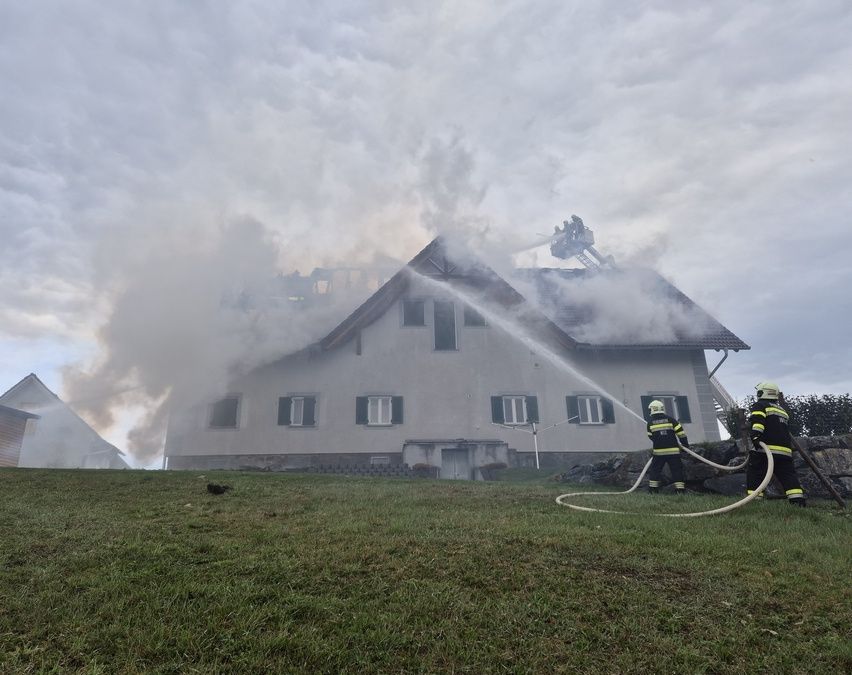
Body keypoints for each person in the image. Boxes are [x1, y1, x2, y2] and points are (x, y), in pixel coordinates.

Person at [747, 382, 806, 506]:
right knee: (788, 477)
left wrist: (756, 437)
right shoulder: (782, 410)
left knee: (756, 475)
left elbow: (758, 422)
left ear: (763, 392)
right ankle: (798, 502)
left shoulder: (760, 405)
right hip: (784, 452)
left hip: (765, 450)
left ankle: (754, 502)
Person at [646, 399, 688, 494]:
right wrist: (685, 446)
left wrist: (659, 441)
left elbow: (650, 436)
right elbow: (681, 433)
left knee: (655, 470)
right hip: (673, 452)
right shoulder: (671, 420)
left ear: (652, 409)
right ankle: (680, 490)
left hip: (658, 452)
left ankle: (653, 490)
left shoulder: (650, 423)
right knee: (676, 470)